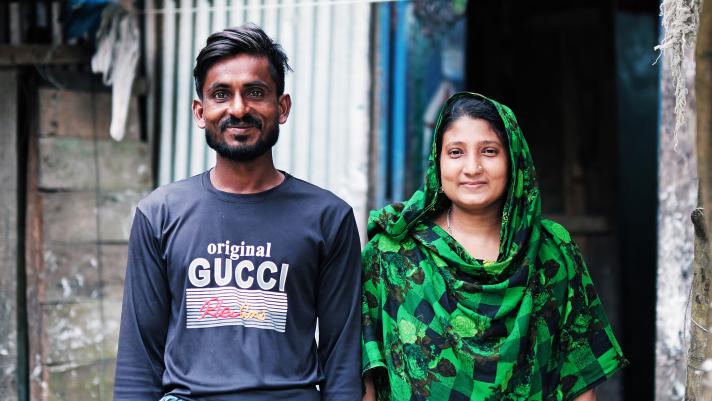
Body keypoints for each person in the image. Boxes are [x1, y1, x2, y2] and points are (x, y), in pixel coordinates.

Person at [114, 24, 363, 401]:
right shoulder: (159, 215)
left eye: (255, 93)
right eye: (220, 94)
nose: (238, 108)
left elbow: (342, 361)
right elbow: (139, 359)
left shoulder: (329, 218)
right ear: (201, 112)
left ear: (282, 107)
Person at [361, 92, 626, 401]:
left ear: (513, 158)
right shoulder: (393, 255)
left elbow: (580, 378)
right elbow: (368, 376)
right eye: (456, 152)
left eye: (489, 151)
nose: (472, 168)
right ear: (437, 161)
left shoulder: (552, 250)